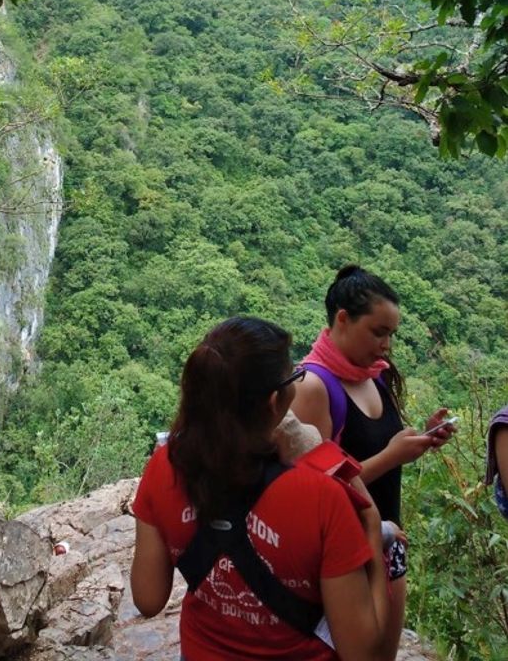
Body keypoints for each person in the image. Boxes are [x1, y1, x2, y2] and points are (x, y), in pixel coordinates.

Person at [130, 316, 391, 661]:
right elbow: (363, 655)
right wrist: (372, 528)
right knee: (392, 549)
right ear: (274, 403)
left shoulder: (165, 467)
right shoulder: (322, 498)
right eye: (293, 377)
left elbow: (148, 599)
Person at [291, 265, 455, 659]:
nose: (386, 346)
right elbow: (313, 488)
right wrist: (391, 455)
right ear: (343, 320)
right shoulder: (312, 387)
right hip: (344, 554)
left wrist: (419, 438)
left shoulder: (371, 375)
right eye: (378, 332)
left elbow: (368, 450)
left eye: (390, 335)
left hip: (385, 540)